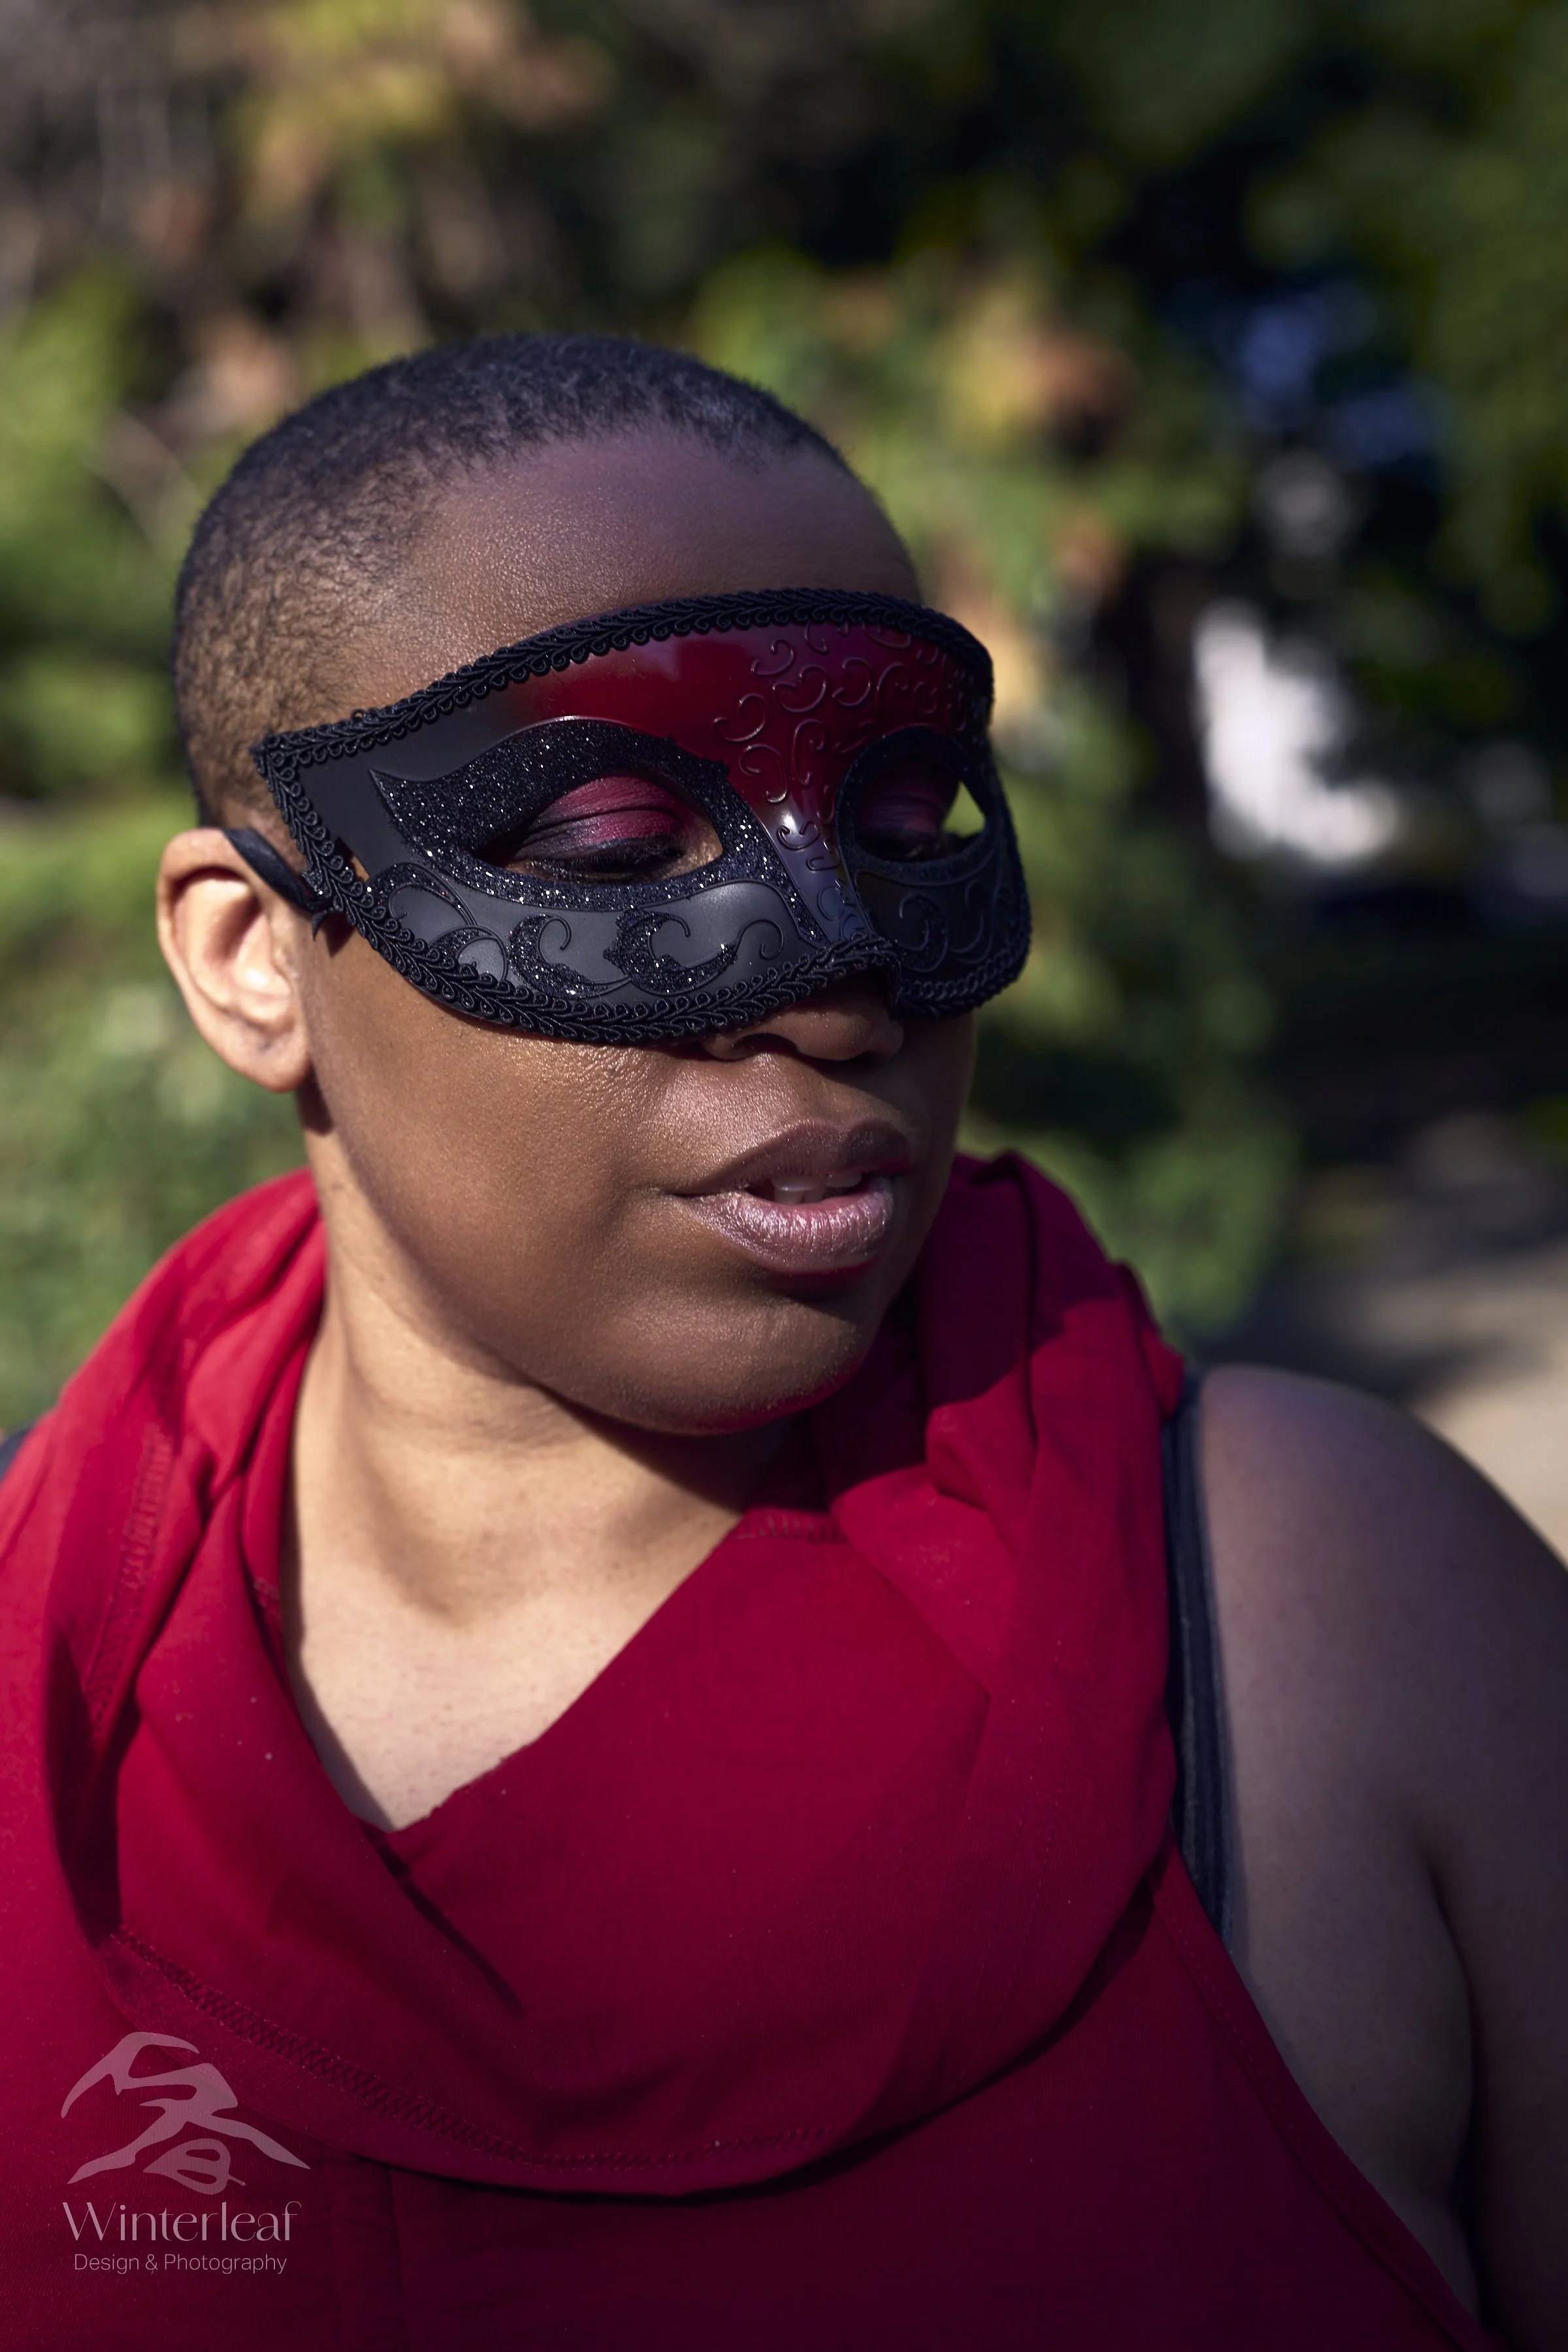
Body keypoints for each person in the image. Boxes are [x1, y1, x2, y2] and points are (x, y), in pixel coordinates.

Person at [0, 335, 1562, 2352]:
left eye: (911, 814)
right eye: (614, 849)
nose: (835, 984)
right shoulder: (41, 1707)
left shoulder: (1329, 1619)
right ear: (251, 961)